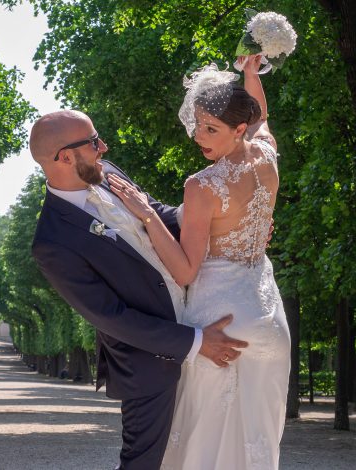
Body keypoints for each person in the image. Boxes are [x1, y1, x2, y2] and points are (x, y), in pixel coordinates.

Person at [29, 109, 249, 470]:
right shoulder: (52, 243)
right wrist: (195, 341)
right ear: (64, 157)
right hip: (151, 365)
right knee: (145, 464)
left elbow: (158, 214)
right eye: (93, 142)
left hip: (203, 308)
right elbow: (113, 318)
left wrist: (224, 220)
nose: (104, 147)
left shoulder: (107, 171)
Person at [107, 55, 291, 469]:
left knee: (201, 442)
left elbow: (186, 269)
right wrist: (250, 74)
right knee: (256, 443)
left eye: (211, 129)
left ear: (238, 127)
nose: (199, 137)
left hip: (218, 321)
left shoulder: (202, 186)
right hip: (268, 319)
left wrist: (147, 214)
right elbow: (263, 116)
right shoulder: (267, 155)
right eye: (198, 126)